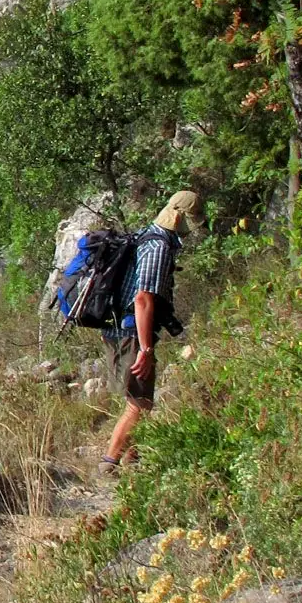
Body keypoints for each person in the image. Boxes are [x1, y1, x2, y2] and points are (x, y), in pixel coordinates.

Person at [100, 190, 199, 472]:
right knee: (139, 402)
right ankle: (109, 462)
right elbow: (143, 298)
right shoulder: (158, 247)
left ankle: (134, 460)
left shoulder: (147, 236)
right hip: (131, 331)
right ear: (179, 216)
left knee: (141, 398)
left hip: (121, 327)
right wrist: (146, 349)